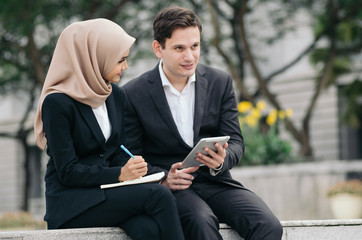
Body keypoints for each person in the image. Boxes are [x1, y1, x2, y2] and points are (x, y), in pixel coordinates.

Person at [122, 6, 283, 240]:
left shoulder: (220, 82)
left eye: (195, 46)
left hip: (215, 181)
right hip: (171, 188)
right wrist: (164, 177)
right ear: (159, 48)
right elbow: (132, 155)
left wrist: (222, 160)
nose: (190, 57)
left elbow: (236, 140)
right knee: (201, 223)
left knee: (268, 225)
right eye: (179, 48)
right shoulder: (132, 93)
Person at [33, 18, 184, 240]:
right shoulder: (57, 103)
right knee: (158, 196)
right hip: (73, 202)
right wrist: (120, 174)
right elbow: (67, 171)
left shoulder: (114, 94)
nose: (125, 67)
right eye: (120, 60)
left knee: (147, 230)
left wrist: (156, 174)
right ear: (94, 58)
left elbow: (116, 152)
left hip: (107, 193)